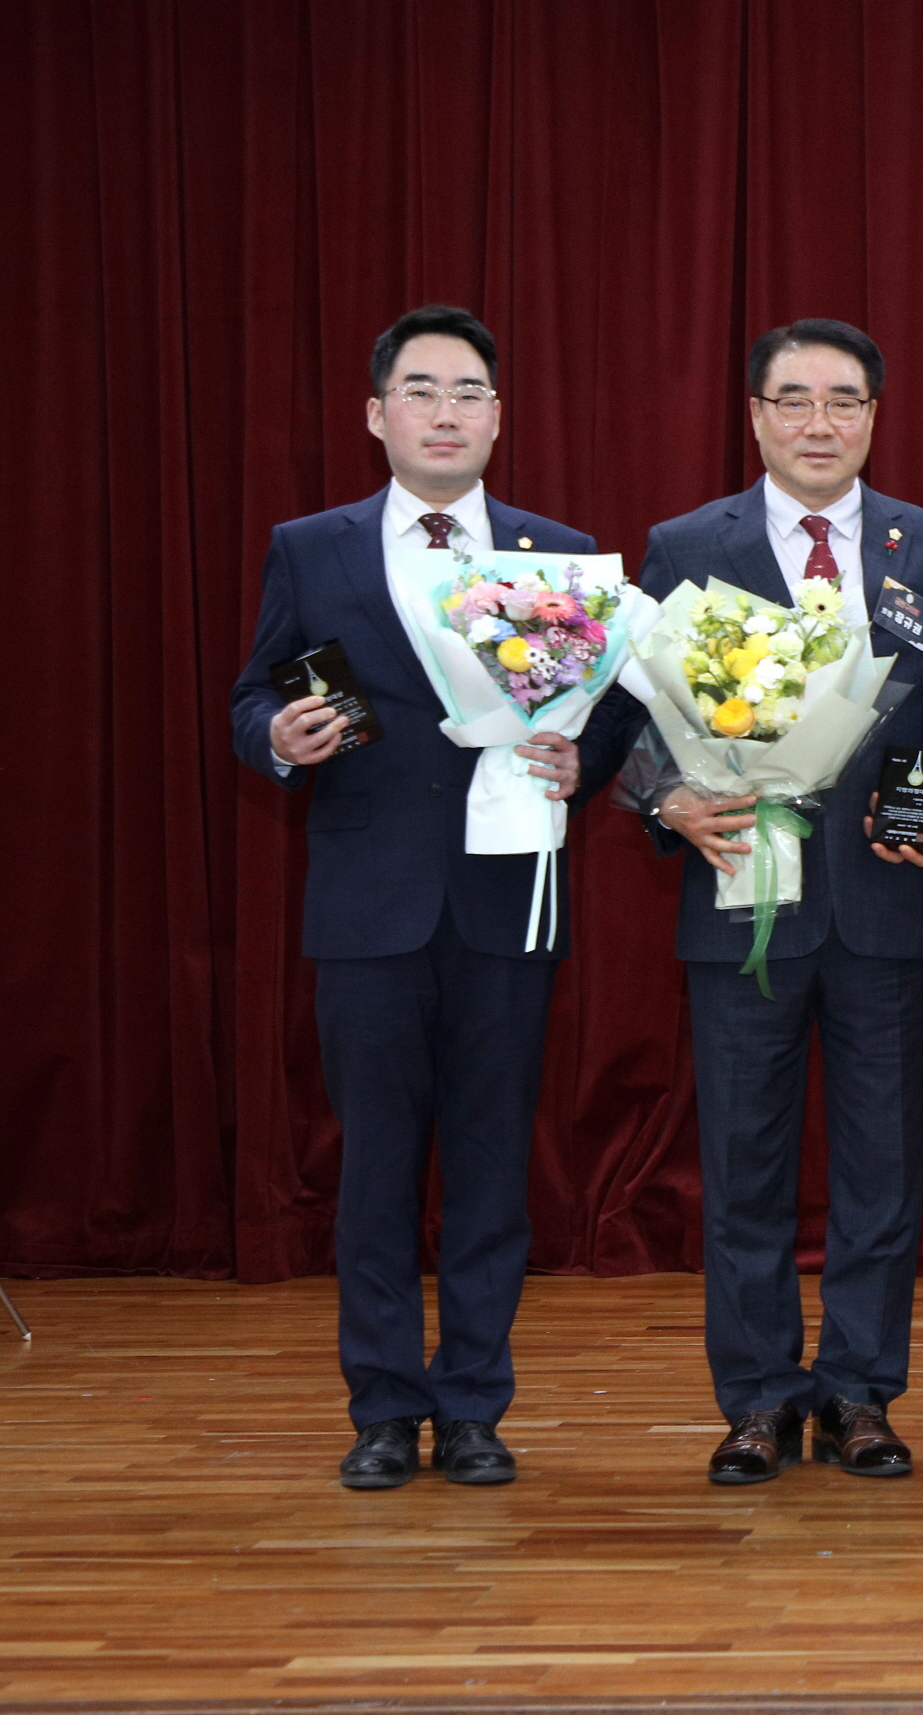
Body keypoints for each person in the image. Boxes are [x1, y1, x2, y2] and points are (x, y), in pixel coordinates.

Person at [230, 305, 627, 1490]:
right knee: (378, 1168)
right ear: (376, 414)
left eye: (468, 392)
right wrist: (281, 739)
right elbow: (253, 695)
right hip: (368, 902)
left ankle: (472, 1405)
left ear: (499, 418)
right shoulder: (314, 546)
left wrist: (581, 759)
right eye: (421, 389)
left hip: (510, 894)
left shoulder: (557, 554)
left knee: (495, 1165)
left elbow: (605, 717)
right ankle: (381, 1406)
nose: (445, 411)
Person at [601, 317, 923, 1486]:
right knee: (745, 1164)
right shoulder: (681, 543)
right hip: (739, 895)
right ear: (755, 414)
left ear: (875, 413)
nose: (821, 422)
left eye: (845, 400)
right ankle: (758, 1397)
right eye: (796, 399)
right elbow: (627, 722)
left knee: (880, 1171)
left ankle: (860, 1393)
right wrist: (667, 801)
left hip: (887, 907)